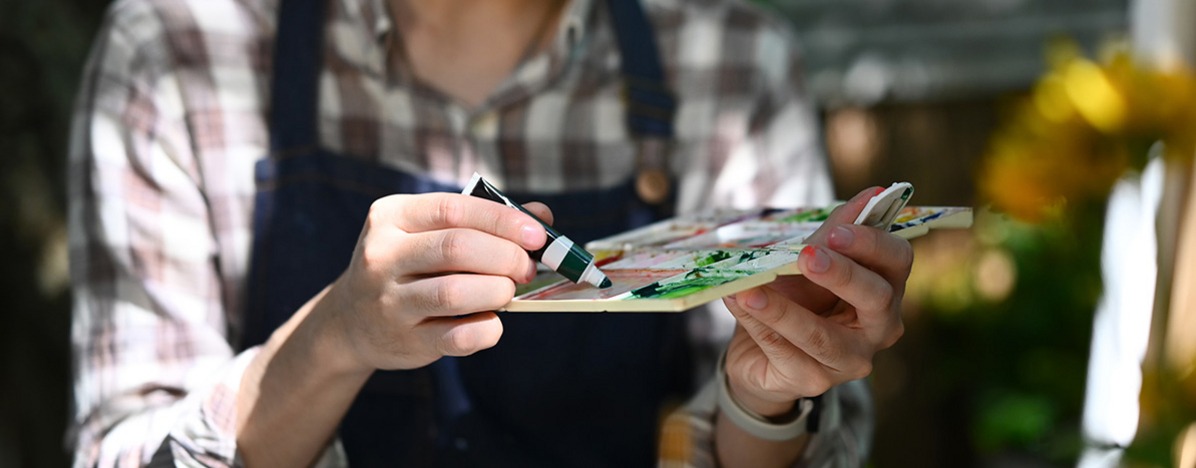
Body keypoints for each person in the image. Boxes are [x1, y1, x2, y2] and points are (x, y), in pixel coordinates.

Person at [67, 0, 912, 466]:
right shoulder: (177, 51)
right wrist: (334, 339)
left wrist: (768, 396)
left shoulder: (732, 63)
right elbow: (120, 452)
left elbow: (783, 435)